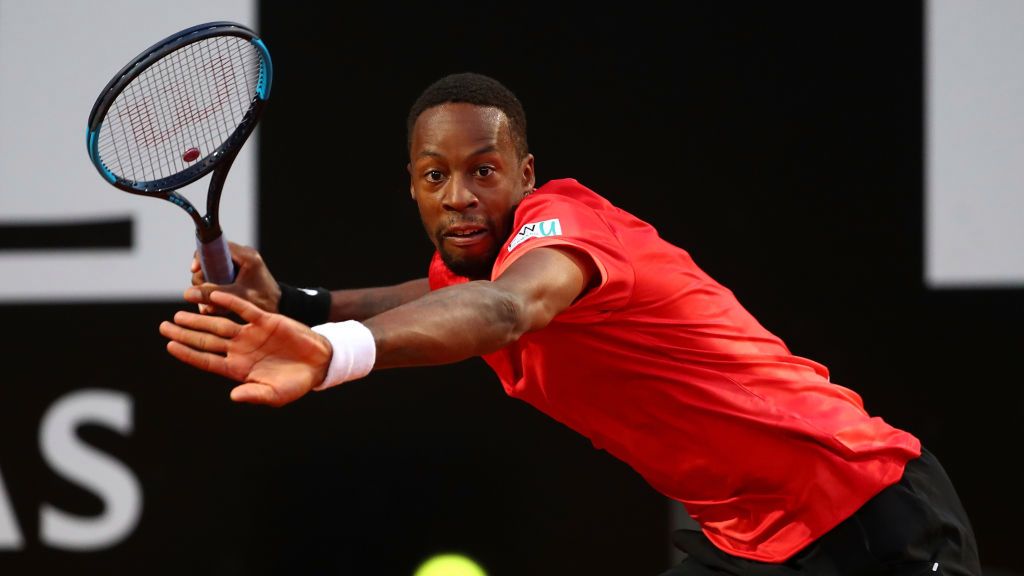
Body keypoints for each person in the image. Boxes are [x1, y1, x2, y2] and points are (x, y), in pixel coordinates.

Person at [159, 72, 981, 575]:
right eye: (435, 175)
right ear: (409, 187)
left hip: (866, 508)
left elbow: (506, 310)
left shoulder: (564, 230)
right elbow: (431, 292)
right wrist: (303, 304)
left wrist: (334, 352)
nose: (459, 196)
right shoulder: (464, 267)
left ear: (525, 174)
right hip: (747, 544)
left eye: (484, 171)